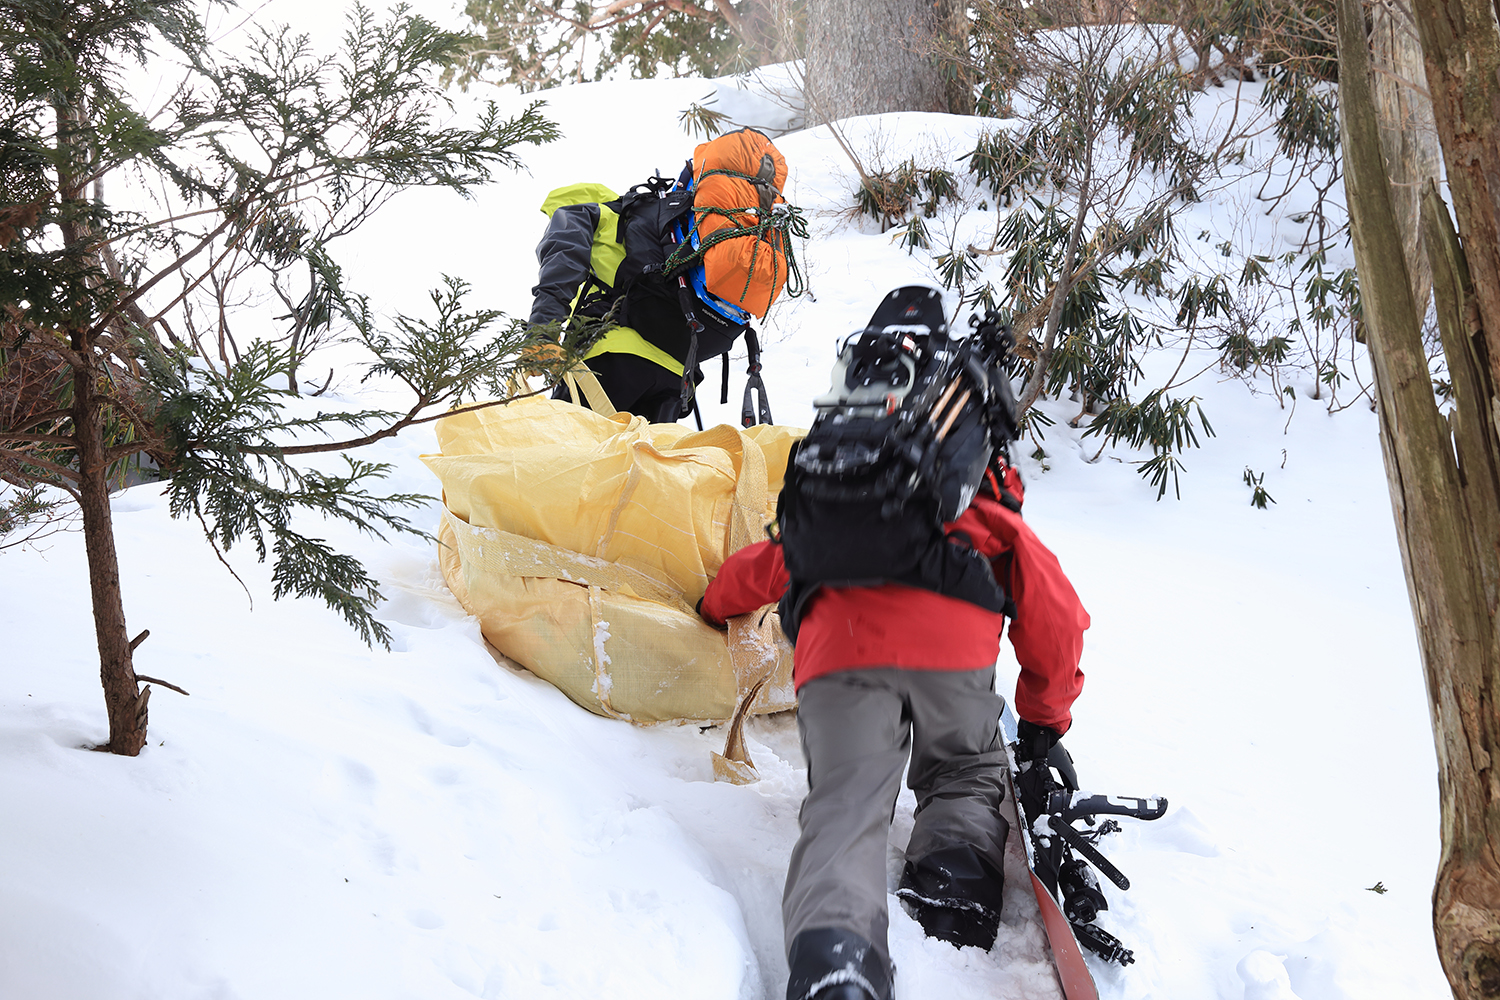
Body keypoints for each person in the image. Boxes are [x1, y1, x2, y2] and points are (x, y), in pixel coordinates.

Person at [697, 369, 1089, 1000]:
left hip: (838, 656)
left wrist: (711, 608)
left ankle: (838, 963)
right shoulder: (979, 501)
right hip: (952, 660)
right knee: (965, 769)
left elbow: (762, 568)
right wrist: (1044, 722)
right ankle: (952, 892)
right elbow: (1056, 615)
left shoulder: (837, 501)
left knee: (845, 804)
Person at [526, 129, 790, 423]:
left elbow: (563, 261)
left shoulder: (588, 214)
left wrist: (542, 330)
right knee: (640, 467)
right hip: (675, 378)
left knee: (566, 460)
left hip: (609, 361)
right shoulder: (665, 224)